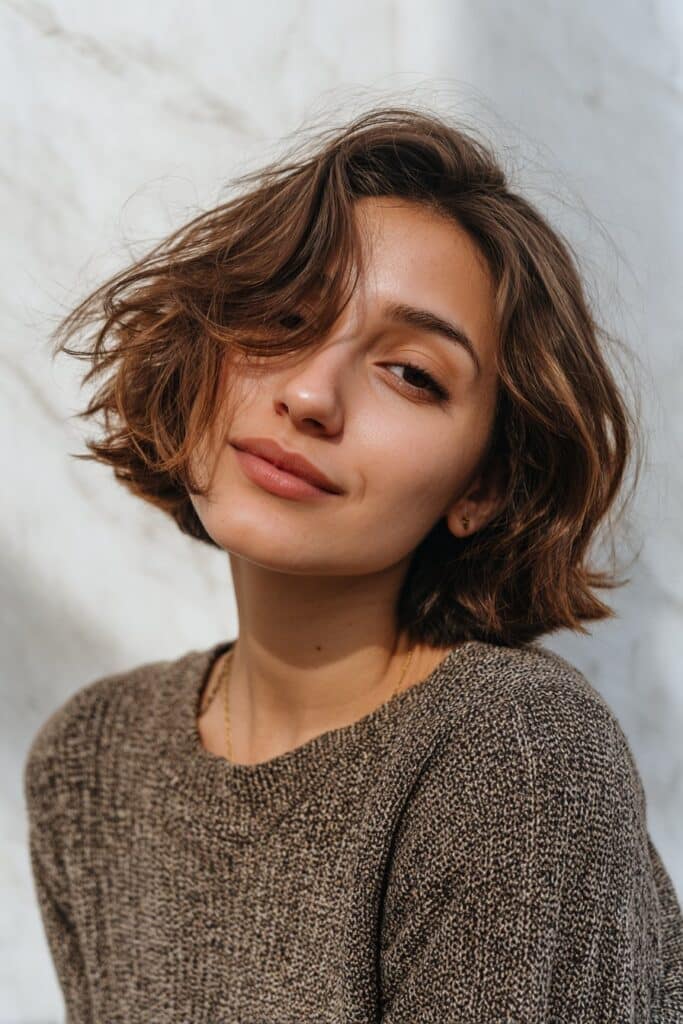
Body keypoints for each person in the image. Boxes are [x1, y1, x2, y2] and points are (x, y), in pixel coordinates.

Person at [24, 104, 683, 1022]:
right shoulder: (93, 758)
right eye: (285, 316)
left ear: (484, 485)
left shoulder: (511, 753)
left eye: (410, 373)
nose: (308, 394)